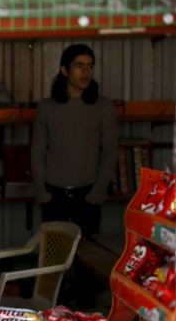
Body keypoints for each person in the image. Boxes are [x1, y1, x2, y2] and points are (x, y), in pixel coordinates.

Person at [31, 44, 118, 236]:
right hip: (53, 195)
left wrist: (95, 195)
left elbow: (110, 152)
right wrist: (43, 195)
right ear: (64, 69)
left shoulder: (104, 107)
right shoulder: (46, 107)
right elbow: (37, 151)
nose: (86, 71)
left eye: (90, 66)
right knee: (53, 259)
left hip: (87, 195)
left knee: (87, 257)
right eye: (79, 66)